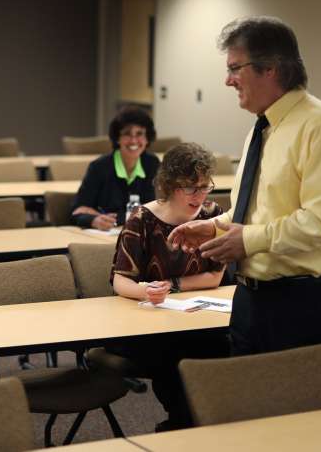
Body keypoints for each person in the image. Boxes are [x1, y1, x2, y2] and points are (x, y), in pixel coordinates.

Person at [170, 16, 321, 358]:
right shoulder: (264, 128)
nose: (227, 81)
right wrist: (216, 228)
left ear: (270, 68)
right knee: (249, 407)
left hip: (301, 303)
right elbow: (261, 210)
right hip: (250, 299)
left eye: (235, 68)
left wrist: (246, 239)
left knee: (303, 410)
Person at [109, 142, 226, 431]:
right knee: (175, 355)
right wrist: (145, 290)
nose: (199, 195)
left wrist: (172, 285)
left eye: (204, 186)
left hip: (196, 317)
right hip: (150, 322)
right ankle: (181, 426)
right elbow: (120, 280)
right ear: (170, 185)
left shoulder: (214, 216)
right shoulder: (142, 219)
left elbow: (215, 278)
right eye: (191, 188)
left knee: (227, 346)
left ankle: (200, 424)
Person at [71, 105, 160, 229]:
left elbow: (154, 209)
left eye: (139, 134)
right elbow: (77, 211)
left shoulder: (151, 164)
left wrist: (119, 217)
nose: (134, 141)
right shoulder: (99, 167)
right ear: (118, 138)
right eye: (127, 134)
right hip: (105, 237)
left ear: (147, 138)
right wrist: (94, 220)